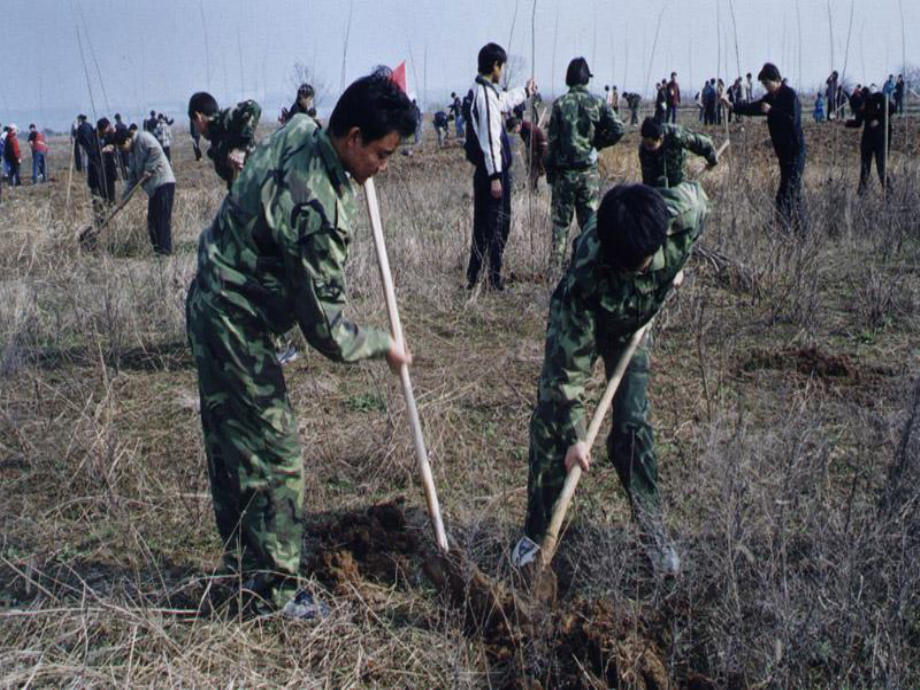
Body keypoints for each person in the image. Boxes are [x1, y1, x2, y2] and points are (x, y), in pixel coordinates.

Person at [185, 71, 416, 620]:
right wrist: (383, 344)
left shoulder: (301, 129)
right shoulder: (322, 215)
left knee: (232, 447)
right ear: (353, 136)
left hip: (208, 296)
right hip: (235, 324)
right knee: (277, 458)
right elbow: (327, 332)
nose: (381, 168)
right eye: (380, 155)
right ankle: (277, 594)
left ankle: (245, 569)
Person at [513, 182, 709, 578]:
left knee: (633, 427)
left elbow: (701, 199)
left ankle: (653, 533)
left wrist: (677, 267)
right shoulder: (587, 275)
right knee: (552, 422)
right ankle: (535, 538)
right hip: (592, 320)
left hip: (635, 327)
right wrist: (574, 438)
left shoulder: (685, 214)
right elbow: (565, 377)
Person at [465, 42, 536, 290]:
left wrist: (525, 92)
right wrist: (495, 176)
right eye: (502, 66)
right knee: (496, 226)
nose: (503, 71)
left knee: (487, 226)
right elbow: (490, 140)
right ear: (495, 65)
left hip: (490, 172)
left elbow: (504, 100)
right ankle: (492, 280)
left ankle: (476, 278)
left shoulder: (486, 91)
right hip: (491, 174)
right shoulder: (484, 95)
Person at [546, 57, 624, 268]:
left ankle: (554, 273)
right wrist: (596, 144)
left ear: (568, 79)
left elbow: (551, 144)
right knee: (590, 226)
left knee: (560, 226)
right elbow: (619, 128)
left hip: (564, 176)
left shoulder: (560, 104)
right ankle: (591, 269)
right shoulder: (598, 102)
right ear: (586, 79)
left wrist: (550, 174)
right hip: (588, 175)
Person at [725, 63, 806, 233]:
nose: (766, 87)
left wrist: (772, 111)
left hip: (795, 152)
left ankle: (798, 232)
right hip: (783, 154)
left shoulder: (789, 95)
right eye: (764, 84)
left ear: (777, 80)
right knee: (787, 194)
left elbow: (793, 122)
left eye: (767, 83)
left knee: (790, 194)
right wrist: (732, 106)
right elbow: (753, 107)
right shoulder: (770, 97)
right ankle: (786, 230)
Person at [114, 125, 176, 255]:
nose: (121, 150)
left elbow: (157, 150)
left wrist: (149, 168)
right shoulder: (132, 156)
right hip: (154, 189)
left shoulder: (143, 137)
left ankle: (165, 253)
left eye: (121, 147)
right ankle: (158, 251)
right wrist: (123, 200)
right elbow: (132, 180)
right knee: (152, 220)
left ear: (128, 140)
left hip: (163, 182)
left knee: (161, 220)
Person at [188, 91, 262, 190]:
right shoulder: (215, 144)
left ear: (198, 117)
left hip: (259, 186)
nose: (196, 129)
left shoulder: (226, 119)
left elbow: (253, 107)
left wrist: (240, 148)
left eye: (195, 123)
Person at [638, 117, 717, 189]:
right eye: (645, 144)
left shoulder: (677, 135)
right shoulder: (644, 149)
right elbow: (647, 180)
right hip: (659, 180)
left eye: (650, 145)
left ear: (661, 139)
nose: (647, 148)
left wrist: (712, 161)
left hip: (676, 172)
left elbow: (704, 144)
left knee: (677, 189)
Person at [846, 88, 896, 193]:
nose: (861, 110)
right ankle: (862, 193)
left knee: (881, 166)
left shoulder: (878, 97)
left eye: (861, 107)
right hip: (868, 137)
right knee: (865, 167)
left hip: (882, 136)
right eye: (858, 109)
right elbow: (858, 123)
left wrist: (879, 120)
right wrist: (845, 123)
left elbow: (892, 109)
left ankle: (889, 193)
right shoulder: (859, 106)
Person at [509, 116, 548, 191]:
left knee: (533, 171)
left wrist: (532, 158)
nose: (514, 132)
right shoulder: (523, 128)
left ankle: (533, 190)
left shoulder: (528, 128)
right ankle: (533, 189)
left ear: (517, 126)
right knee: (532, 171)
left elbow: (532, 144)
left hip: (540, 150)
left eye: (514, 130)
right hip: (535, 150)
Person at [96, 118, 119, 205]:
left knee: (111, 184)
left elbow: (116, 144)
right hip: (102, 165)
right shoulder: (97, 137)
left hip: (110, 163)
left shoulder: (111, 134)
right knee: (103, 184)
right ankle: (105, 200)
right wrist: (103, 150)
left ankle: (111, 201)